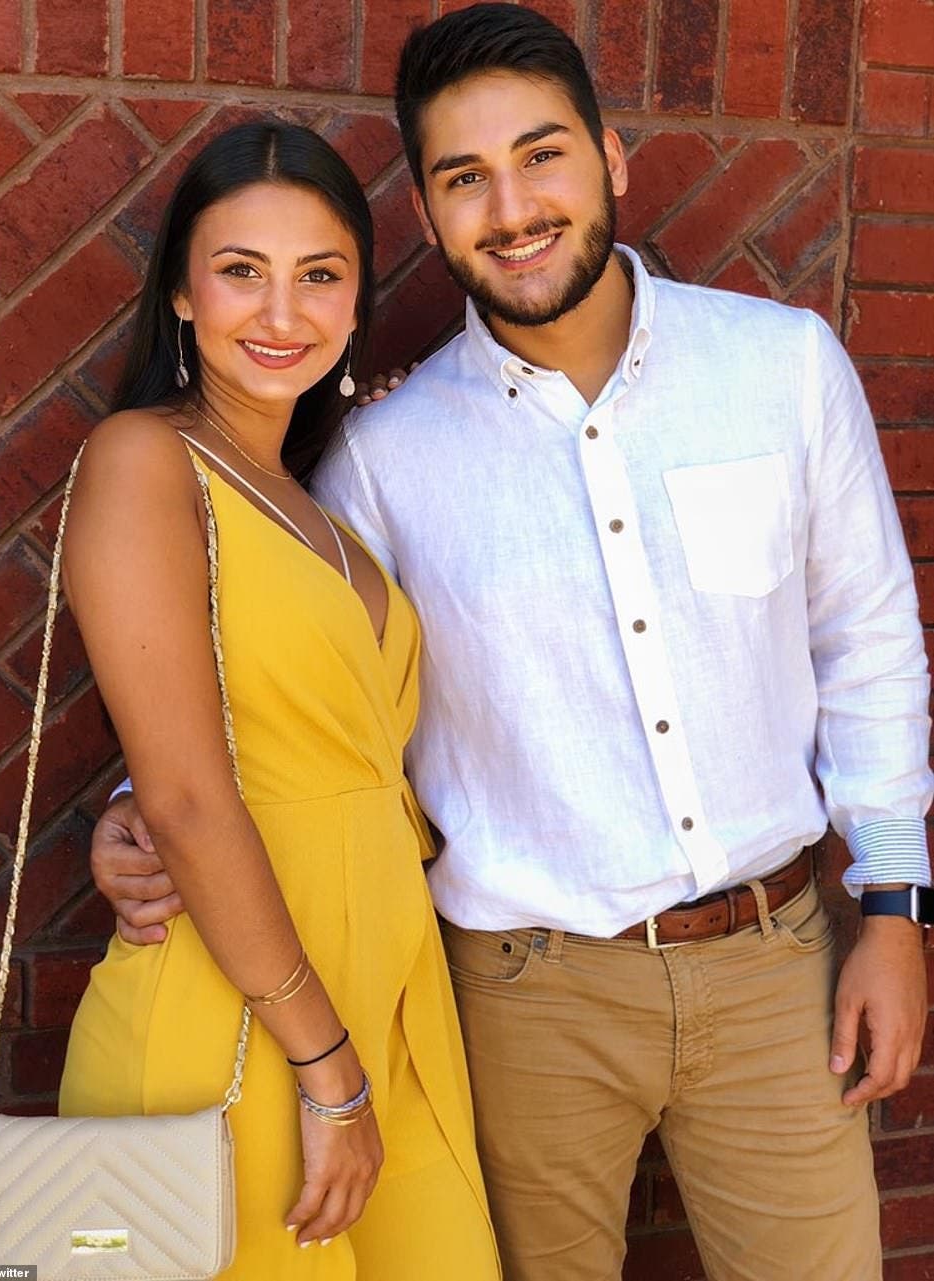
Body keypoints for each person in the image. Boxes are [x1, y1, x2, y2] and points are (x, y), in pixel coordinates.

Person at [91, 8, 933, 1280]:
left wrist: (893, 903)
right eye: (463, 178)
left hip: (772, 971)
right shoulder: (383, 454)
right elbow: (279, 686)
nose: (513, 206)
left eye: (541, 156)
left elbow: (866, 645)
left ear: (611, 155)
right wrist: (141, 808)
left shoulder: (782, 368)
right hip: (515, 992)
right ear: (428, 219)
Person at [56, 119, 499, 1280]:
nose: (281, 312)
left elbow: (278, 713)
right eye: (240, 271)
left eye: (320, 276)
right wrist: (326, 1068)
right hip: (238, 1019)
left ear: (356, 305)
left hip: (384, 995)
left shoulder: (319, 500)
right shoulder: (143, 459)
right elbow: (192, 798)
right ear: (183, 295)